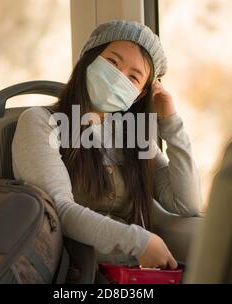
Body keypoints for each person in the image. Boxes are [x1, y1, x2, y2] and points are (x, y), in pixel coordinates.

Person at [12, 20, 202, 274]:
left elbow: (185, 203)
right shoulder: (40, 122)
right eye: (112, 62)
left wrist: (170, 122)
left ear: (139, 95)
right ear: (88, 59)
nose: (117, 78)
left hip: (129, 275)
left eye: (133, 77)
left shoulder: (133, 135)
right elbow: (60, 210)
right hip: (72, 274)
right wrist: (139, 242)